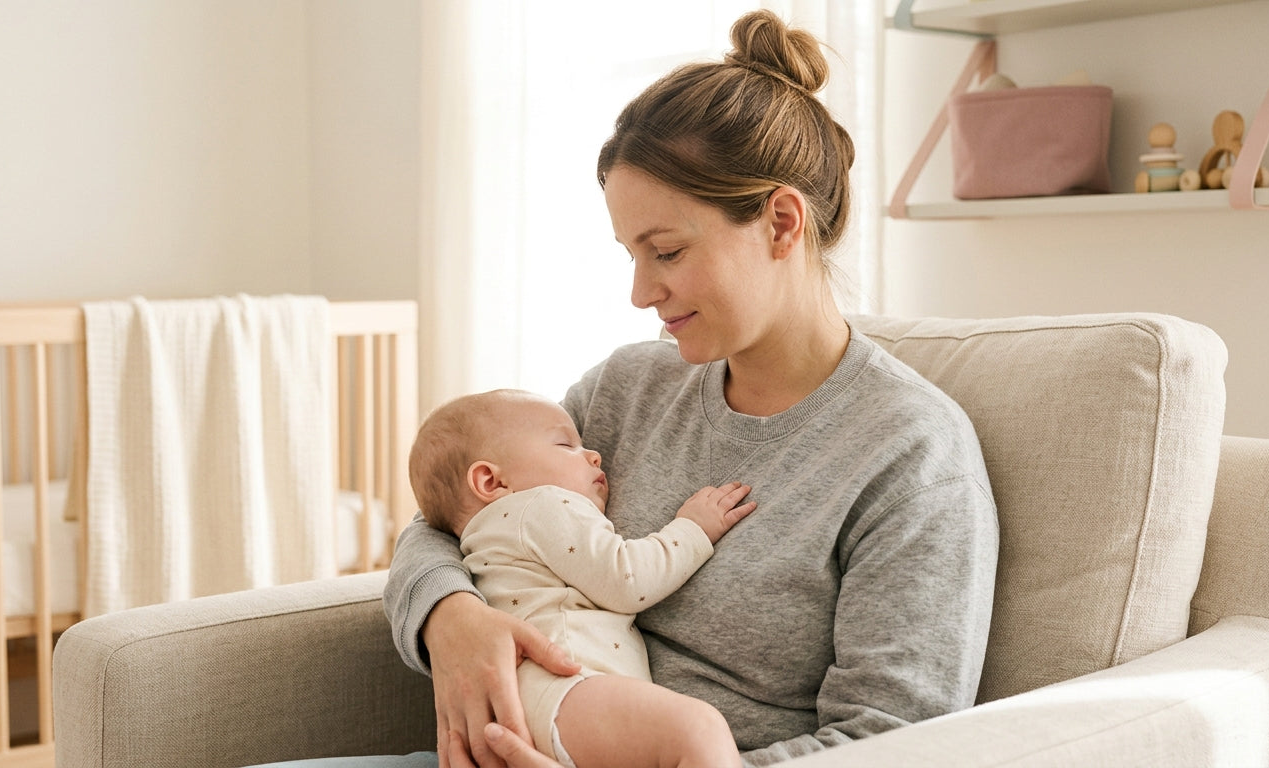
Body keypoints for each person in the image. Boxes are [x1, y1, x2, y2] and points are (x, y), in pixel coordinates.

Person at [251, 8, 998, 768]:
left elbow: (894, 742)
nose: (641, 292)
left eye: (665, 250)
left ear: (780, 222)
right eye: (630, 254)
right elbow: (450, 514)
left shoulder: (909, 455)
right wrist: (449, 615)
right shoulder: (626, 389)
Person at [409, 388, 754, 768]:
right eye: (565, 444)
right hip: (566, 688)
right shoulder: (543, 503)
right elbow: (627, 580)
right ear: (491, 482)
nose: (593, 455)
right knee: (699, 730)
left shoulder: (485, 535)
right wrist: (692, 528)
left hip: (524, 708)